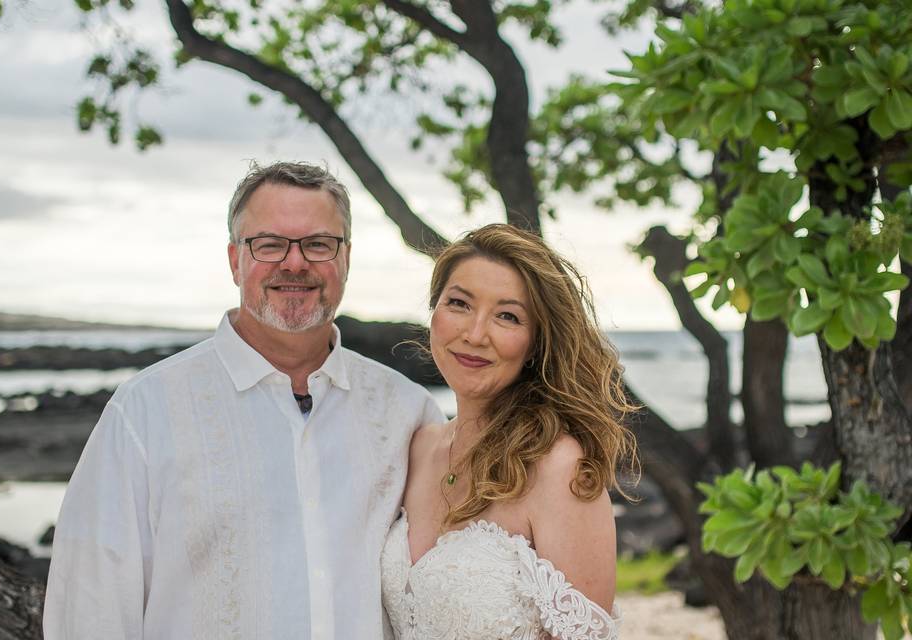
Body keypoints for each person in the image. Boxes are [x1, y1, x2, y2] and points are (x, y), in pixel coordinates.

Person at [43, 161, 444, 639]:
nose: (294, 263)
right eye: (269, 244)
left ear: (346, 259)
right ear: (235, 259)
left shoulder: (408, 412)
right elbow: (91, 610)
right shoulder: (144, 412)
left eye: (318, 244)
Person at [381, 224, 636, 640]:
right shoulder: (418, 445)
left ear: (536, 342)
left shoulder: (560, 467)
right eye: (459, 304)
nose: (475, 334)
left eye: (507, 316)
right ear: (434, 312)